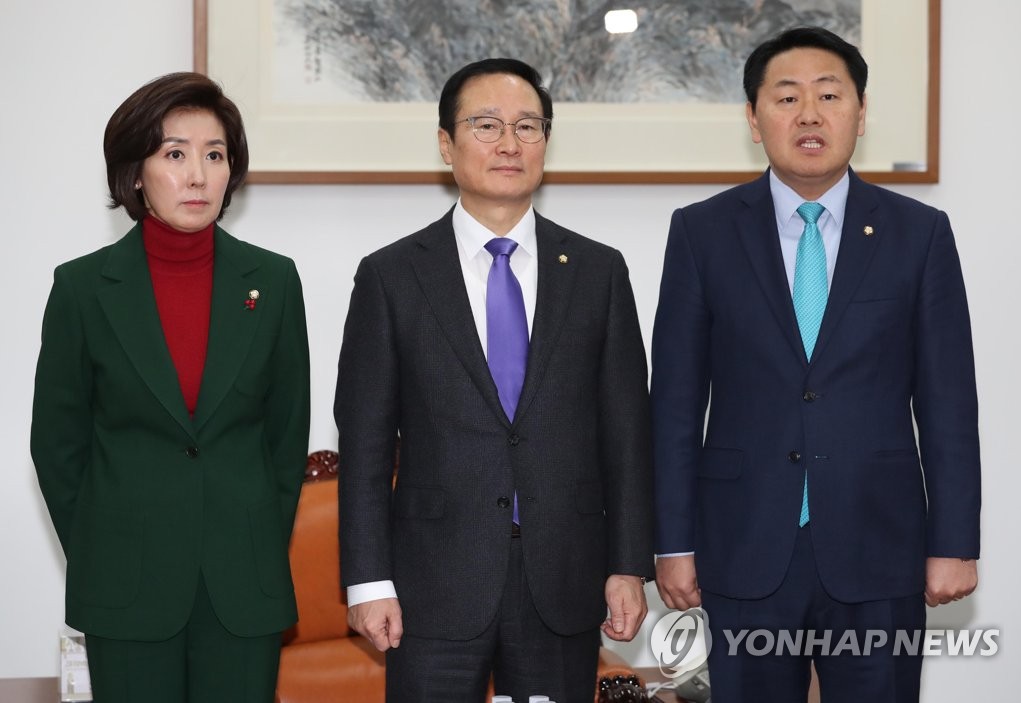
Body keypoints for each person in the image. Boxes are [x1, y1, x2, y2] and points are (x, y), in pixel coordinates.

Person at [651, 27, 980, 703]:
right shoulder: (702, 232)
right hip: (744, 542)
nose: (809, 114)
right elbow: (675, 404)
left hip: (879, 544)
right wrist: (672, 541)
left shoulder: (919, 234)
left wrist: (954, 541)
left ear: (860, 114)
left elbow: (948, 402)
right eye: (787, 97)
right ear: (754, 118)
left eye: (829, 95)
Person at [334, 58, 654, 702]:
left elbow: (626, 434)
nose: (509, 143)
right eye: (486, 125)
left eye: (527, 126)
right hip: (431, 583)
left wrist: (627, 565)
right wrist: (368, 581)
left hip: (564, 577)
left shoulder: (598, 272)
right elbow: (365, 445)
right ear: (446, 143)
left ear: (545, 142)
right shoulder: (392, 276)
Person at [31, 72, 310, 703]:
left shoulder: (273, 282)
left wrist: (256, 542)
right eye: (175, 154)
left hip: (242, 584)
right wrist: (106, 547)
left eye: (215, 155)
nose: (198, 176)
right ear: (136, 174)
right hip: (125, 582)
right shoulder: (82, 289)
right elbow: (57, 445)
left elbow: (285, 439)